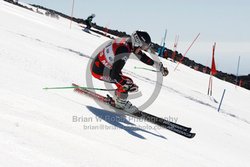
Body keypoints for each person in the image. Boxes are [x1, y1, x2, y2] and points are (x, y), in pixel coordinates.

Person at [90, 30, 169, 113]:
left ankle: (118, 97)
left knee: (126, 82)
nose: (142, 49)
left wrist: (157, 65)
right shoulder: (124, 50)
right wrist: (125, 85)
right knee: (127, 83)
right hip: (98, 70)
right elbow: (114, 75)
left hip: (100, 66)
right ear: (137, 42)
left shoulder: (126, 44)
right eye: (143, 46)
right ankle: (119, 104)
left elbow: (142, 57)